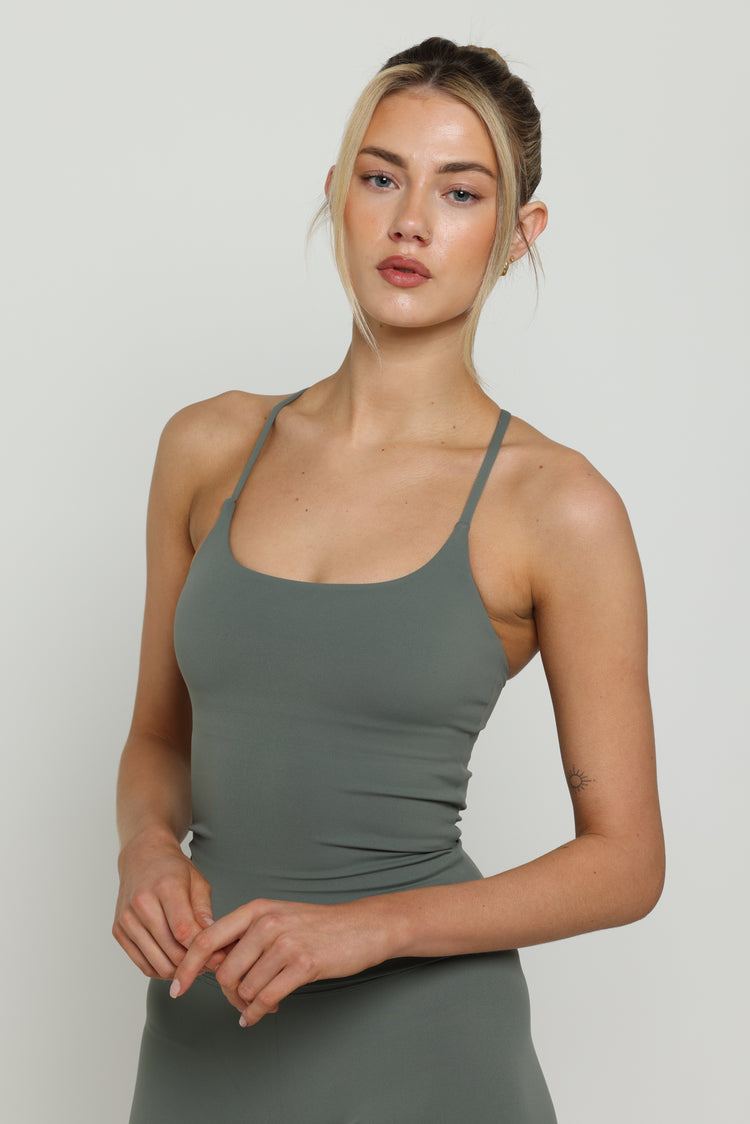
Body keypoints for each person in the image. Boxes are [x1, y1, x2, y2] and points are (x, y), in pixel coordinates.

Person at [114, 36, 664, 1123]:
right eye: (381, 178)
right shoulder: (208, 448)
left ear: (518, 235)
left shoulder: (556, 504)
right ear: (337, 193)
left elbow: (626, 859)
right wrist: (143, 847)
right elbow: (157, 740)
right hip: (202, 1028)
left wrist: (373, 926)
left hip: (428, 1053)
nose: (411, 222)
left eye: (461, 192)